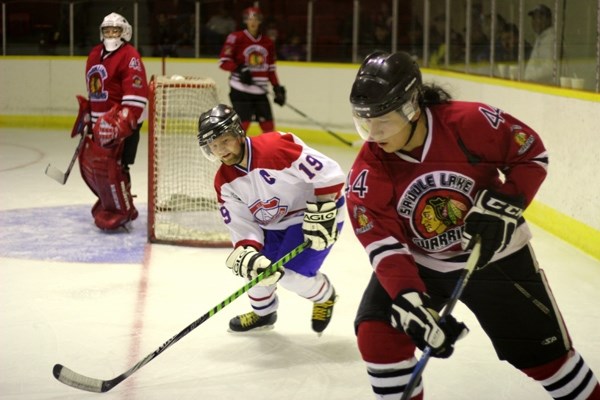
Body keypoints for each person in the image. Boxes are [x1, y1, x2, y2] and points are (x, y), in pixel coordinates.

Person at [346, 51, 600, 400]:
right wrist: (409, 298)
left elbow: (530, 153)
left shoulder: (469, 122)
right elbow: (384, 244)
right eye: (365, 124)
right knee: (379, 338)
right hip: (423, 264)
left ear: (411, 107)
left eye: (383, 122)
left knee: (548, 361)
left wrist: (505, 204)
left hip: (497, 258)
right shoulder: (368, 171)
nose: (373, 135)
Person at [196, 104, 344, 334]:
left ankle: (325, 295)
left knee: (291, 276)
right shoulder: (224, 181)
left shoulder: (275, 148)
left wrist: (323, 207)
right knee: (255, 271)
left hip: (313, 212)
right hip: (273, 222)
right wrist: (249, 251)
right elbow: (241, 224)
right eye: (213, 146)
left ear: (238, 132)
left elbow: (329, 172)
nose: (220, 150)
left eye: (224, 141)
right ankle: (263, 314)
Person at [77, 12, 148, 231]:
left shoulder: (130, 55)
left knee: (117, 167)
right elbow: (95, 88)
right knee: (100, 168)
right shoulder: (95, 54)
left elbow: (135, 90)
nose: (111, 34)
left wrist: (124, 122)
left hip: (121, 122)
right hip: (100, 123)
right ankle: (111, 202)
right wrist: (89, 111)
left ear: (124, 32)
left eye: (115, 30)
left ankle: (123, 207)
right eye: (107, 30)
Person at [218, 7, 286, 133]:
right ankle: (239, 151)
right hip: (240, 89)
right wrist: (239, 69)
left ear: (260, 21)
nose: (253, 21)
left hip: (260, 91)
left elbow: (270, 69)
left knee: (269, 126)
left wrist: (277, 87)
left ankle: (270, 151)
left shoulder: (268, 42)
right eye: (249, 19)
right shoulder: (236, 37)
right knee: (243, 125)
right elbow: (223, 62)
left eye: (256, 18)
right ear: (245, 21)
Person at [524, 4, 555, 84]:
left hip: (545, 88)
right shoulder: (542, 37)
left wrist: (529, 77)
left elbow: (549, 68)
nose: (535, 21)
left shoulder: (550, 39)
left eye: (539, 18)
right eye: (533, 18)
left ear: (548, 20)